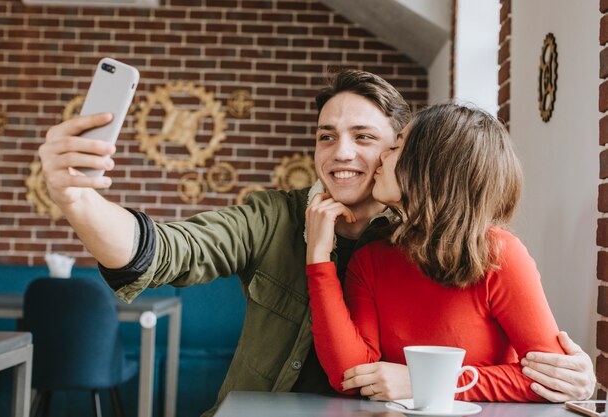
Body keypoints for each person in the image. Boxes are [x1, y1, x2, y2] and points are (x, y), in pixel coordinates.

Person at [39, 70, 595, 415]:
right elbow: (166, 250)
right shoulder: (282, 221)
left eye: (368, 138)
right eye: (326, 136)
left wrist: (574, 377)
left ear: (408, 156)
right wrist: (81, 202)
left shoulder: (457, 248)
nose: (341, 153)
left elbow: (542, 372)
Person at [305, 103, 586, 402]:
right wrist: (318, 256)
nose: (381, 157)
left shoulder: (500, 254)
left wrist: (429, 382)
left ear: (430, 165)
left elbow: (553, 381)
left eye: (396, 146)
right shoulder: (371, 260)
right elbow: (350, 375)